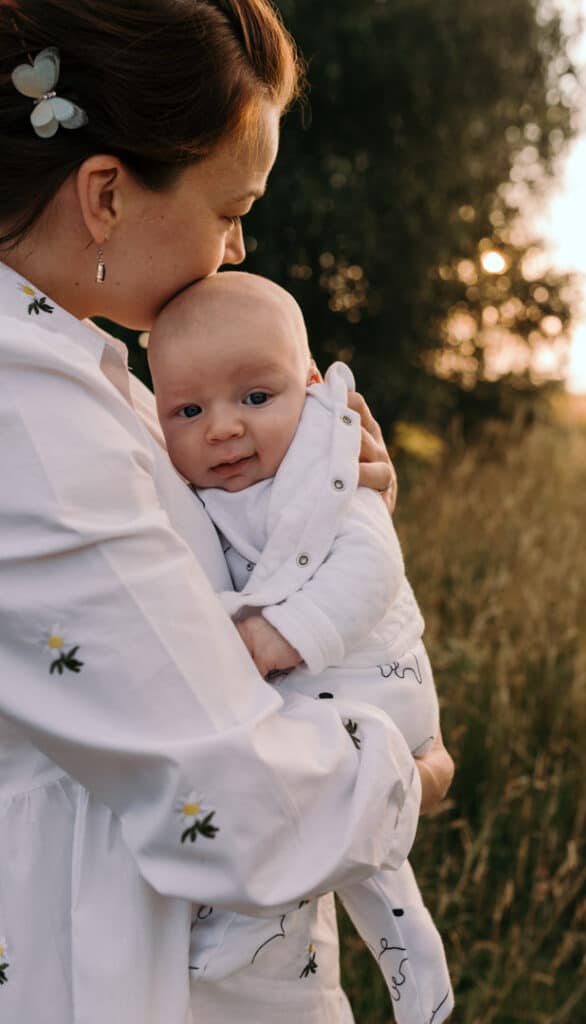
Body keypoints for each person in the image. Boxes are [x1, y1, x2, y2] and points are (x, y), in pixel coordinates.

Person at [0, 3, 454, 1024]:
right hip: (93, 956)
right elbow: (230, 803)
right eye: (228, 207)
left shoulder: (91, 375)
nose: (239, 244)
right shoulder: (25, 420)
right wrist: (410, 774)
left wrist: (333, 503)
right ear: (106, 194)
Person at [147, 271, 455, 1024]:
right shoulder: (212, 490)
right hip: (322, 706)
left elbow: (372, 568)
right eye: (187, 410)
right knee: (358, 859)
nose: (222, 428)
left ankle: (405, 980)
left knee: (347, 849)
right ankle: (419, 979)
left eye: (256, 398)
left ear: (314, 391)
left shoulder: (324, 477)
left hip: (366, 687)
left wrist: (274, 637)